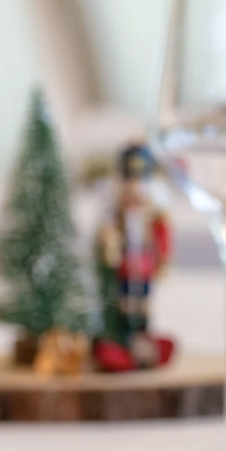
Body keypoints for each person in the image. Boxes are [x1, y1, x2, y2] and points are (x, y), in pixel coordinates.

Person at [93, 145, 177, 373]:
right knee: (125, 302)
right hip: (125, 270)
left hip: (145, 267)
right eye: (129, 187)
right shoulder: (117, 215)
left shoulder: (154, 217)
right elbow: (108, 238)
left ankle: (142, 335)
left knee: (144, 303)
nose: (135, 192)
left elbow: (162, 239)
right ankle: (124, 338)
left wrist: (163, 262)